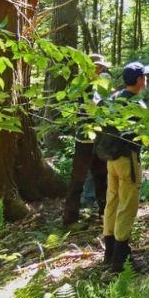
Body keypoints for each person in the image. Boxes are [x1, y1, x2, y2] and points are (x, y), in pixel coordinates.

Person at [101, 60, 149, 273]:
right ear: (139, 80)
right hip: (127, 160)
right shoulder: (137, 106)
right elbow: (146, 137)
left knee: (111, 201)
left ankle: (110, 252)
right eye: (145, 76)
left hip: (110, 159)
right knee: (127, 205)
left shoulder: (112, 100)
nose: (147, 79)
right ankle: (120, 259)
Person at [62, 54, 112, 226]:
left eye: (100, 67)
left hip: (99, 138)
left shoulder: (102, 83)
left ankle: (105, 214)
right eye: (96, 66)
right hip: (84, 138)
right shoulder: (82, 84)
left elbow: (106, 106)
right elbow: (90, 108)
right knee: (78, 179)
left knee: (101, 177)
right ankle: (70, 218)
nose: (99, 69)